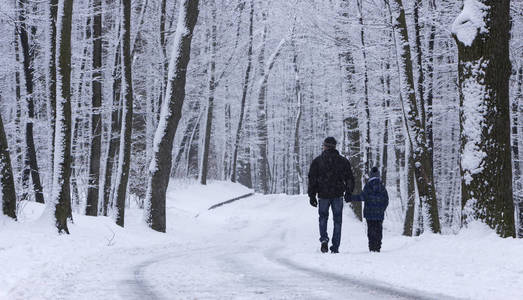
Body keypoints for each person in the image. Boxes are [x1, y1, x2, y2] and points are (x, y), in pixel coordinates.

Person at [308, 137, 354, 253]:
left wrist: (312, 195)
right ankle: (335, 246)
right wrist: (348, 192)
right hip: (337, 194)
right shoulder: (343, 161)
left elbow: (312, 179)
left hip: (323, 195)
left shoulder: (317, 161)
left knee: (323, 218)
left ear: (325, 146)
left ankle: (324, 240)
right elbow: (349, 178)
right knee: (337, 220)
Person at [350, 166, 389, 252]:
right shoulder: (382, 187)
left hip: (369, 213)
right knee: (378, 230)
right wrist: (382, 209)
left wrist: (351, 198)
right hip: (379, 214)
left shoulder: (368, 186)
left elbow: (362, 197)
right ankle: (378, 246)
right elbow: (386, 200)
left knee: (371, 230)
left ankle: (372, 246)